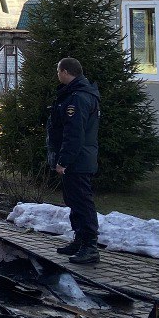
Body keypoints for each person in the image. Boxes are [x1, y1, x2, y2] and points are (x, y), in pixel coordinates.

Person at [46, 57, 101, 264]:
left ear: (66, 72)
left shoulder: (77, 98)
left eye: (59, 71)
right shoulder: (77, 94)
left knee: (82, 201)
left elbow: (74, 133)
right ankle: (79, 240)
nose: (57, 75)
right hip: (79, 158)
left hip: (78, 160)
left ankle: (90, 246)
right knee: (74, 200)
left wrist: (64, 161)